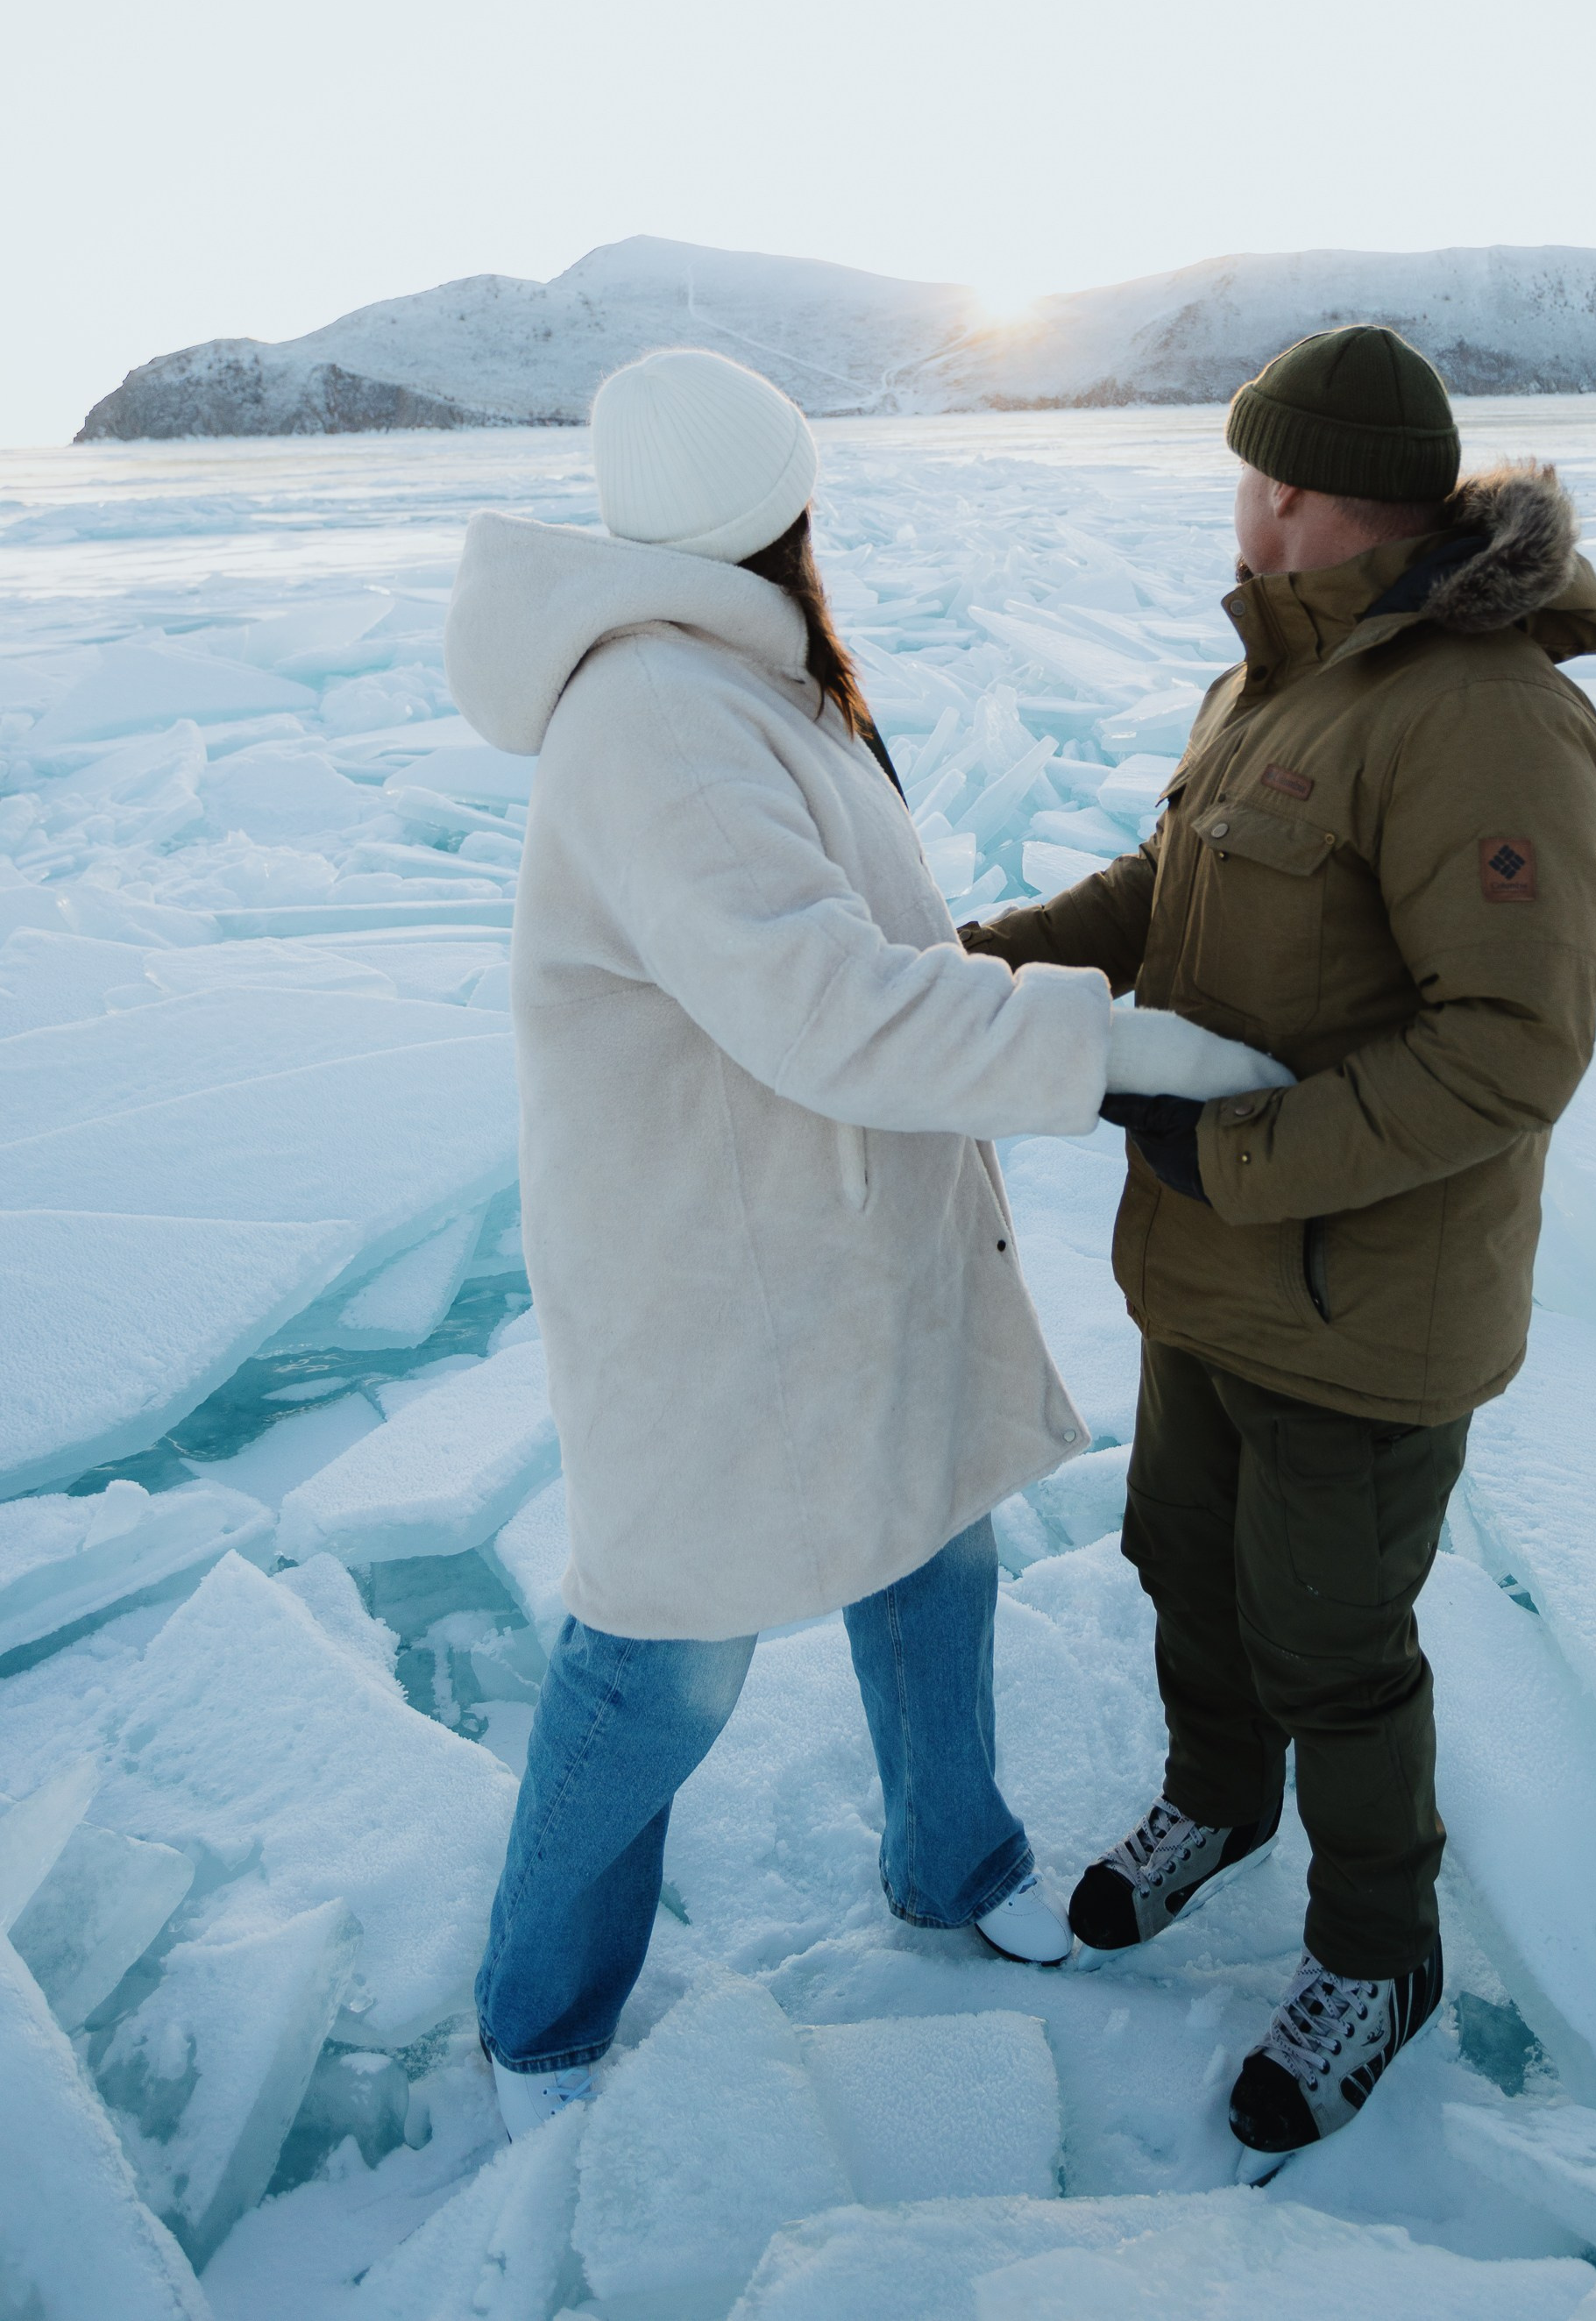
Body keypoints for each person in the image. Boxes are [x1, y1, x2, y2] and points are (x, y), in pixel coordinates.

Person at [442, 344, 1280, 2136]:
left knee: (931, 1549)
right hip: (715, 1276)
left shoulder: (749, 682)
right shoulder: (655, 714)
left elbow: (867, 953)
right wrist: (1114, 1052)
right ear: (779, 514)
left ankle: (950, 1862)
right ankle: (538, 2020)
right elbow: (825, 1003)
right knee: (657, 1655)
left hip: (839, 1237)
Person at [962, 323, 1596, 2170]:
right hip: (1217, 1269)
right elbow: (1167, 901)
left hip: (1360, 1300)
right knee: (1186, 1562)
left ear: (1342, 501)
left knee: (1332, 1640)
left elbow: (1507, 1046)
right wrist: (972, 968)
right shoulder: (1275, 680)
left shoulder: (1480, 712)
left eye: (1271, 483)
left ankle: (1373, 1954)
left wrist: (1228, 1151)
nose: (1240, 509)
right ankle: (1210, 1801)